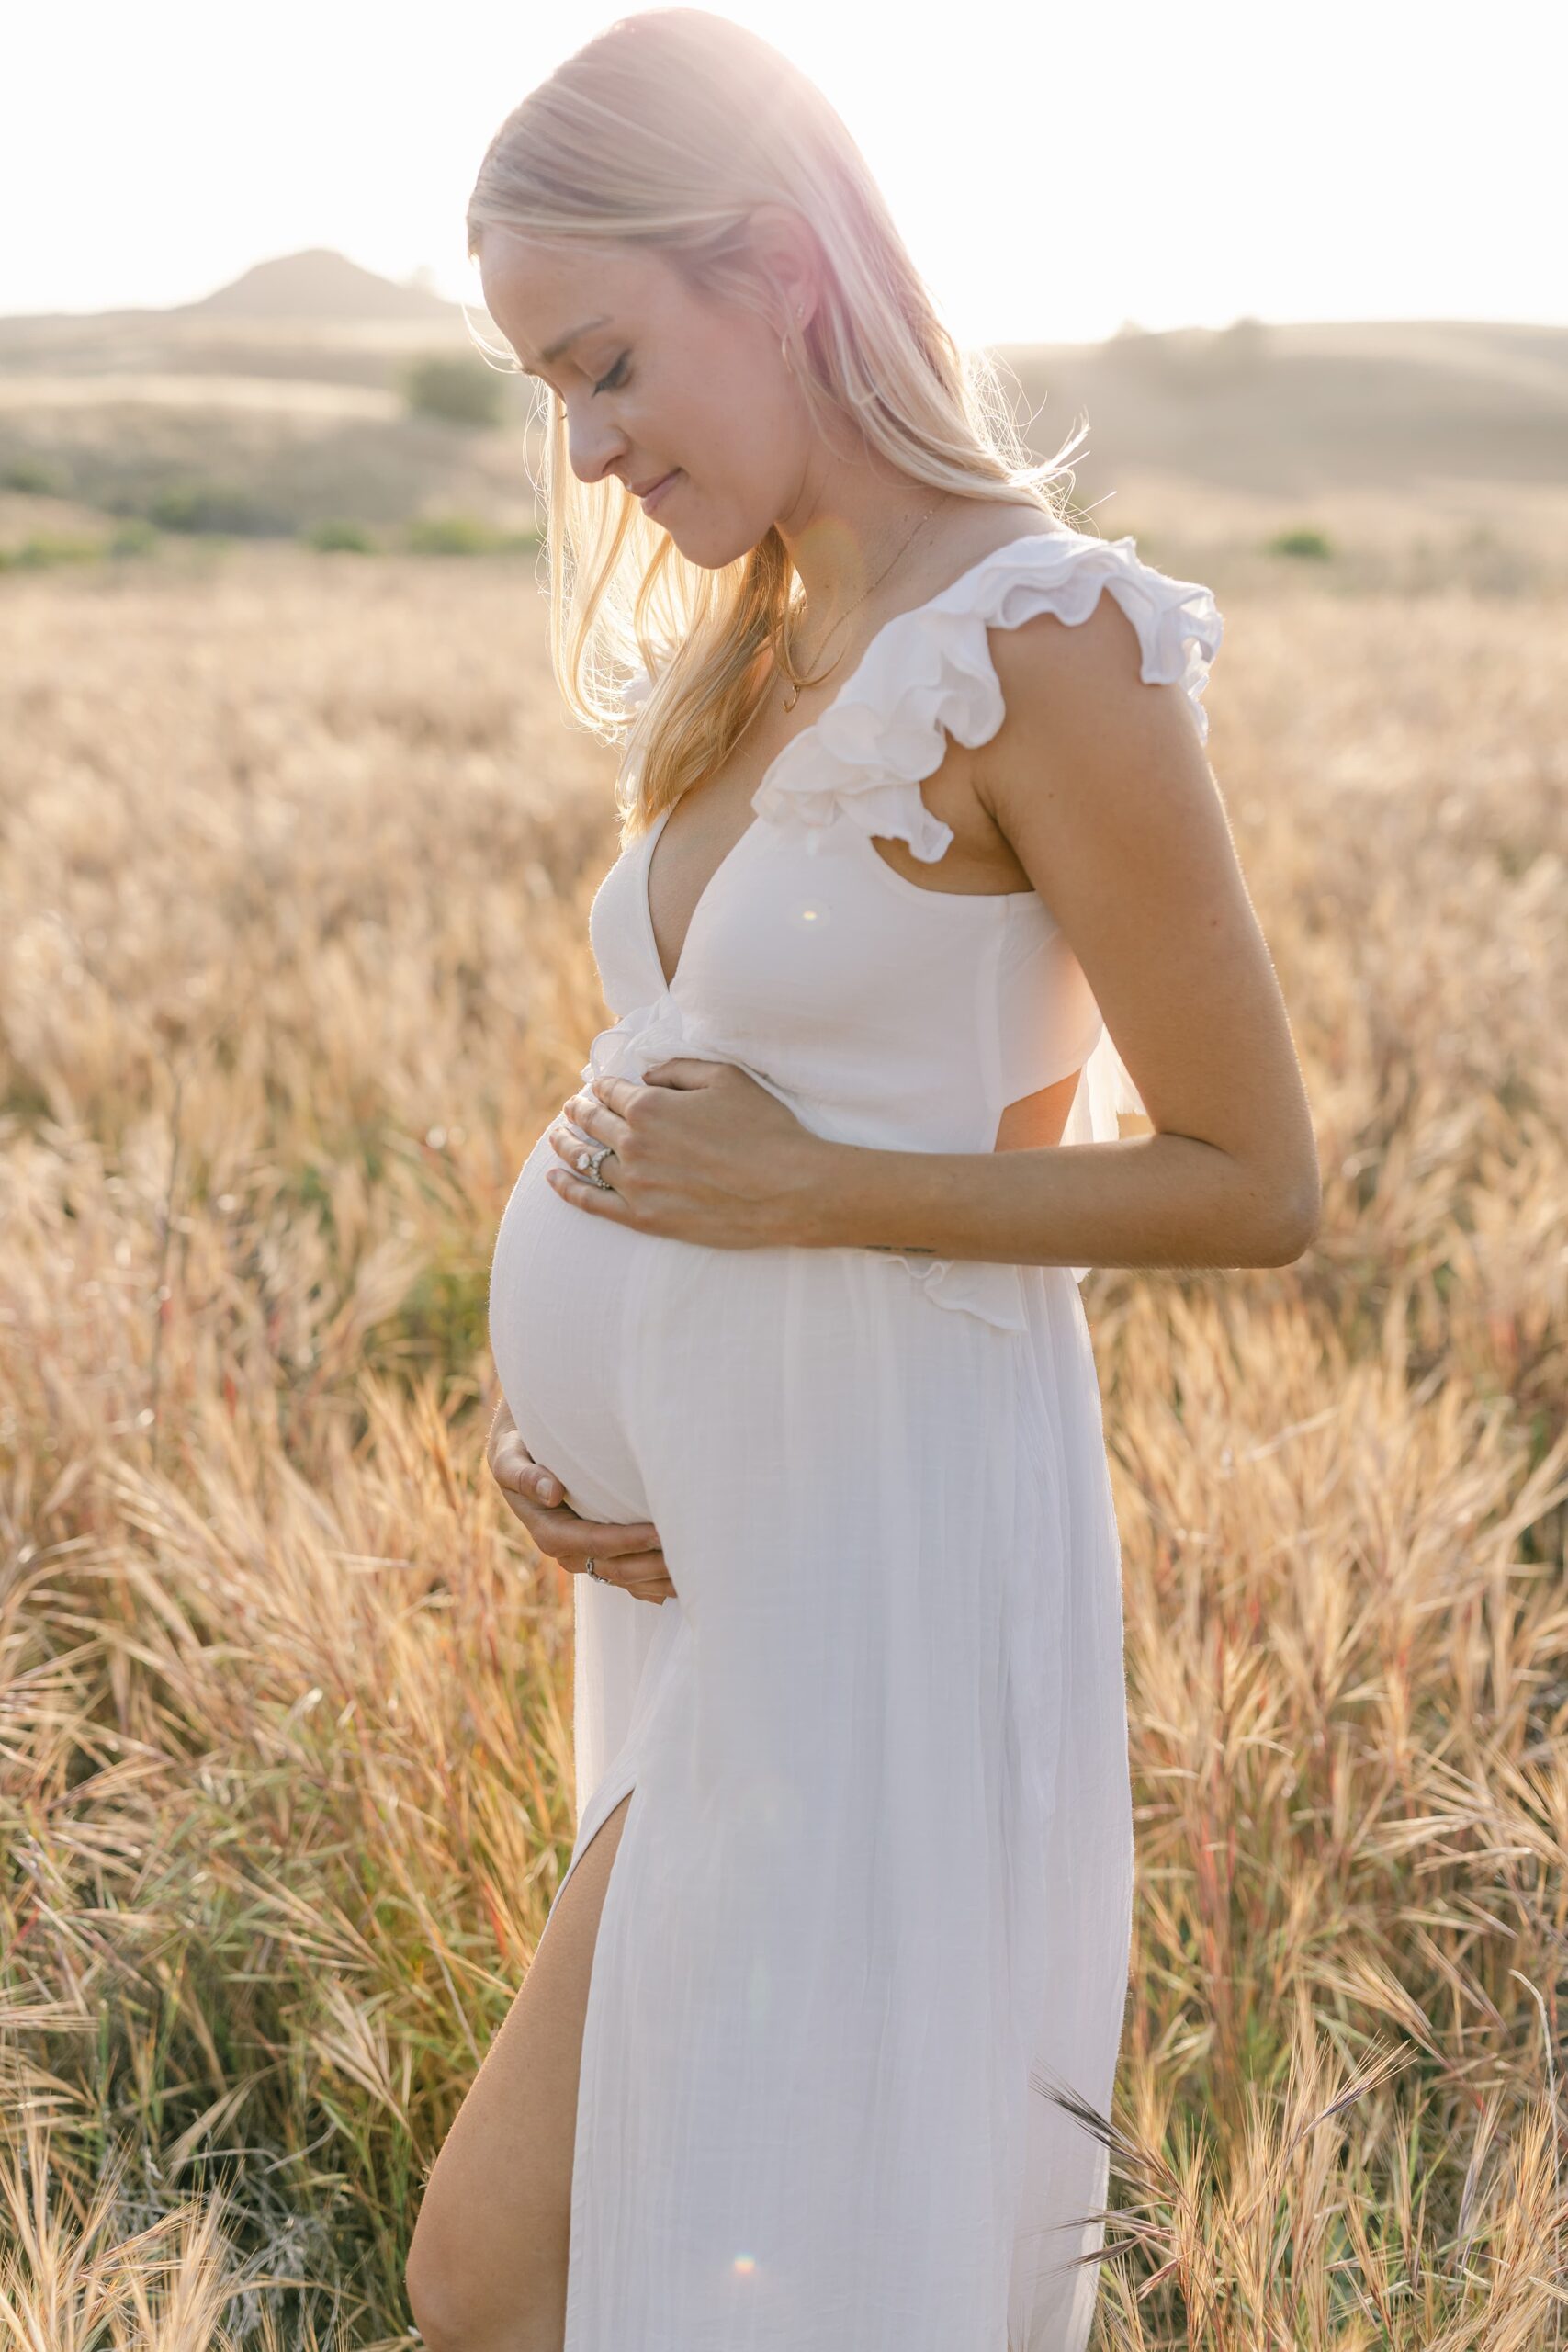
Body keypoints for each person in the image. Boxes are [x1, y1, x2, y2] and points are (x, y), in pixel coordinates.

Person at [406, 13, 1321, 2351]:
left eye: (606, 363)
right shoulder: (764, 644)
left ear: (785, 270)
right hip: (715, 1568)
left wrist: (802, 1197)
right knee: (622, 2267)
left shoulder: (1046, 641)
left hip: (880, 1563)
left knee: (529, 2274)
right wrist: (570, 1429)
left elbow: (1249, 1177)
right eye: (547, 392)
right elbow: (687, 1096)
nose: (590, 451)